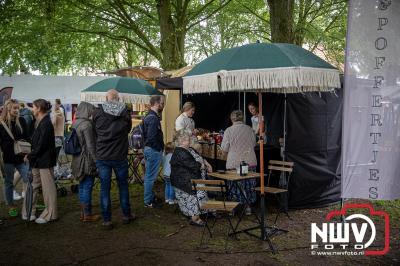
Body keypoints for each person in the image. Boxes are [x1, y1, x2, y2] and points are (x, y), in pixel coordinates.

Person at [93, 89, 134, 229]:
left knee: (105, 188)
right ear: (118, 98)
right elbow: (128, 129)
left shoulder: (97, 113)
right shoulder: (125, 112)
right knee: (123, 186)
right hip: (119, 155)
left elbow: (95, 131)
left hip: (103, 155)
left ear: (106, 98)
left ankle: (106, 219)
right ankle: (126, 215)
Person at [23, 99, 58, 224]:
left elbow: (42, 145)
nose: (32, 109)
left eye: (33, 107)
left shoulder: (46, 123)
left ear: (38, 108)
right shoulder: (39, 122)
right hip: (38, 160)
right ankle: (29, 211)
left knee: (48, 188)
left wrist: (30, 155)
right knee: (32, 185)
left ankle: (50, 214)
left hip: (45, 160)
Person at [170, 130, 212, 226]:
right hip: (185, 182)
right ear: (182, 141)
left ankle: (200, 214)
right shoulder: (181, 152)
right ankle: (195, 219)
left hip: (182, 180)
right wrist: (201, 165)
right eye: (188, 139)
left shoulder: (182, 150)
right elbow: (193, 165)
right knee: (197, 193)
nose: (189, 141)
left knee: (200, 191)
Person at [221, 110, 257, 215]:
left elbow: (224, 148)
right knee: (249, 184)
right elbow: (254, 143)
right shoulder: (250, 129)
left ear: (232, 119)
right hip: (250, 161)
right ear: (243, 118)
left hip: (234, 162)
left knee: (234, 185)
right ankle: (248, 207)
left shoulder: (228, 130)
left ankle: (233, 208)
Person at [71, 102, 100, 222]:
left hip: (77, 158)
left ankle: (83, 213)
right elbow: (90, 146)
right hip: (86, 159)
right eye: (91, 110)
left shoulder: (75, 123)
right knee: (87, 185)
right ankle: (87, 214)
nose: (92, 112)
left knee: (82, 185)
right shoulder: (87, 125)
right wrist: (97, 161)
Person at [0, 99, 29, 218]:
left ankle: (29, 201)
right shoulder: (2, 123)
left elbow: (27, 137)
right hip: (7, 158)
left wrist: (28, 152)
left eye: (18, 108)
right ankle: (11, 205)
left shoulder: (21, 120)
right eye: (14, 108)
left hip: (22, 156)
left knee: (29, 178)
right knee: (8, 183)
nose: (17, 110)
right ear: (8, 109)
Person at [143, 95, 165, 208]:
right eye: (162, 103)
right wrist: (158, 148)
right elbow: (151, 137)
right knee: (150, 177)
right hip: (153, 150)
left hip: (150, 149)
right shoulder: (152, 118)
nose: (163, 105)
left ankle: (150, 197)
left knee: (149, 176)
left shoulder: (150, 116)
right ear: (156, 104)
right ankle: (148, 201)